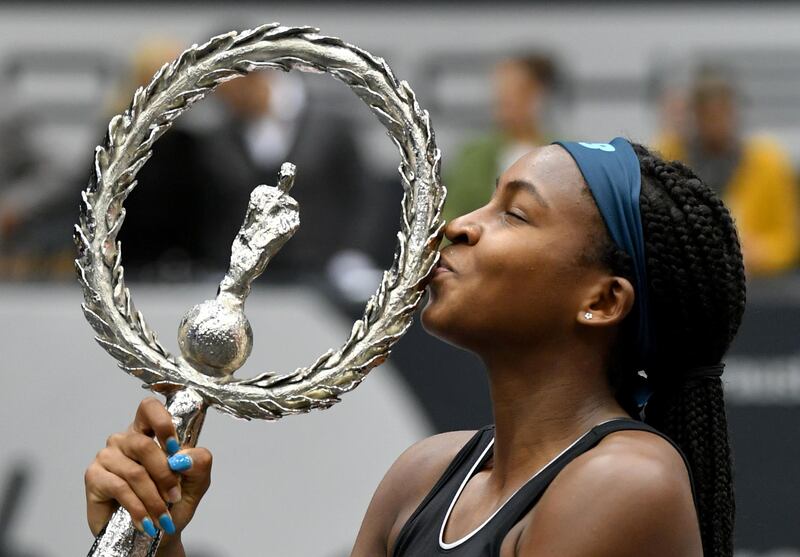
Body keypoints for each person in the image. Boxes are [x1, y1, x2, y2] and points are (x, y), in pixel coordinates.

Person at [84, 138, 745, 556]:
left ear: (601, 300)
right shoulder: (424, 473)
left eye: (514, 213)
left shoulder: (626, 482)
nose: (459, 225)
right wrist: (154, 534)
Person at [656, 70, 800, 276]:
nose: (715, 122)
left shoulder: (769, 163)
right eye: (707, 113)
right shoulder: (668, 159)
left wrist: (758, 254)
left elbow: (788, 240)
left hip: (758, 286)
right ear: (694, 115)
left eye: (722, 112)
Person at [443, 54, 558, 224]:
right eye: (501, 93)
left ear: (537, 94)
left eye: (517, 91)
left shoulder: (562, 154)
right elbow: (451, 215)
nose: (506, 100)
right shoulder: (473, 155)